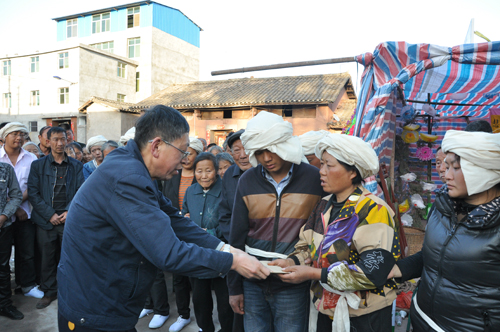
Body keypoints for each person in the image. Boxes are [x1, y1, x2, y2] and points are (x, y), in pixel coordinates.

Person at [56, 105, 269, 332]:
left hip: (106, 299)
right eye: (182, 151)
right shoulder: (128, 177)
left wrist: (225, 248)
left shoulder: (132, 165)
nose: (184, 160)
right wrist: (233, 262)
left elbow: (173, 218)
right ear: (157, 146)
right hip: (94, 308)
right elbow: (168, 253)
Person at [270, 133, 400, 332]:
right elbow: (306, 246)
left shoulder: (374, 210)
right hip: (326, 309)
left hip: (364, 316)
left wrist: (314, 274)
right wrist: (291, 262)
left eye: (329, 166)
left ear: (352, 173)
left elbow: (372, 272)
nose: (321, 172)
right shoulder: (324, 205)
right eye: (321, 164)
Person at [389, 130, 500, 332]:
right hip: (423, 319)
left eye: (455, 167)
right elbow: (434, 256)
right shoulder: (442, 206)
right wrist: (396, 270)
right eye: (446, 166)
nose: (446, 175)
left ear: (484, 171)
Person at [228, 111, 324, 332]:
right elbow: (236, 236)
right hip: (251, 279)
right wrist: (234, 288)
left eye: (271, 150)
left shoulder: (314, 180)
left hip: (293, 282)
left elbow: (320, 233)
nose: (266, 158)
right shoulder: (247, 180)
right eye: (259, 152)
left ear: (284, 145)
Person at [28, 126, 84, 309]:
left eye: (63, 139)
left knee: (69, 257)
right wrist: (49, 214)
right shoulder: (37, 165)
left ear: (67, 140)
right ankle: (49, 292)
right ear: (48, 141)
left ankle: (69, 291)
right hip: (46, 221)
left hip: (68, 219)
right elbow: (33, 193)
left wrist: (69, 211)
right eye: (56, 140)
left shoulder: (76, 166)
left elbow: (80, 191)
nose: (60, 143)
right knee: (47, 258)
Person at [182, 153, 233, 332]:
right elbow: (184, 214)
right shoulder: (190, 191)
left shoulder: (226, 191)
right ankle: (206, 328)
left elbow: (231, 222)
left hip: (221, 254)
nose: (203, 176)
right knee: (200, 301)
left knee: (225, 303)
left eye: (208, 171)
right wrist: (185, 219)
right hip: (198, 255)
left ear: (217, 171)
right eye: (199, 171)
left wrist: (209, 233)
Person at [161, 136, 203, 332]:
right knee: (179, 277)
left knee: (197, 278)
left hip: (196, 231)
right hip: (174, 231)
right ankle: (183, 314)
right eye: (183, 154)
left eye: (190, 154)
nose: (185, 158)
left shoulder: (203, 175)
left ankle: (204, 320)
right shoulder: (173, 174)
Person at [0, 123, 44, 300]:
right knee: (2, 256)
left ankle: (26, 285)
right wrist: (12, 208)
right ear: (4, 136)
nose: (18, 138)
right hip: (2, 216)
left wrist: (18, 207)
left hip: (25, 213)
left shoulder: (31, 158)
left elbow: (33, 186)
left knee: (26, 252)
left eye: (22, 134)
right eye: (14, 134)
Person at [218, 129, 252, 332]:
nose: (242, 154)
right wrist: (236, 241)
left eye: (246, 148)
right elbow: (224, 214)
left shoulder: (267, 173)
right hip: (237, 249)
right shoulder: (230, 174)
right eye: (236, 150)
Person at [0, 162, 23, 320]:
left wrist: (4, 216)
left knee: (2, 267)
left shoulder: (5, 169)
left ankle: (4, 304)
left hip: (3, 226)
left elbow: (16, 195)